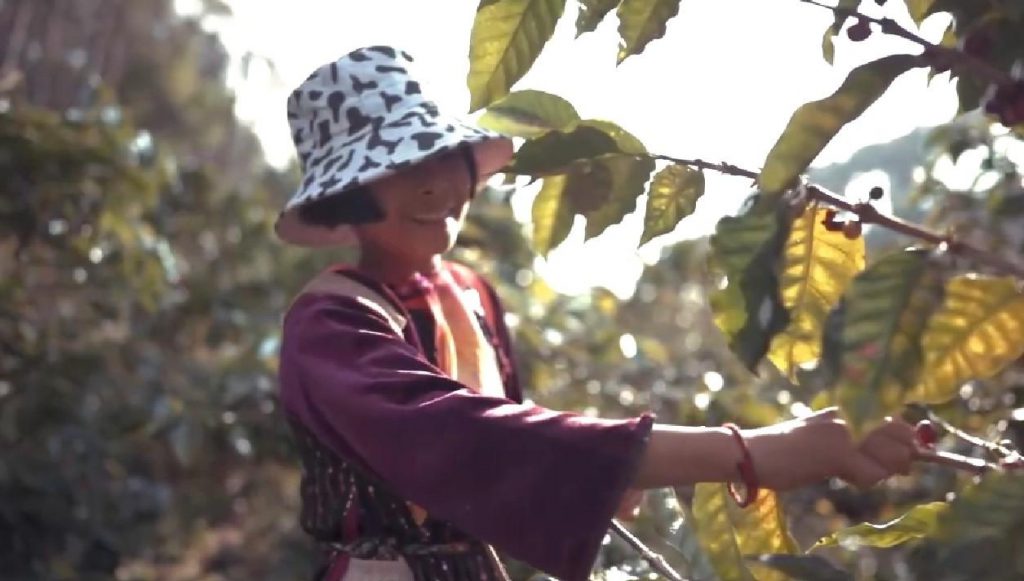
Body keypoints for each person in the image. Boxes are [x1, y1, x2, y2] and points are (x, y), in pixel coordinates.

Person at [273, 46, 918, 581]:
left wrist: (607, 473)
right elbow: (470, 440)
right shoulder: (331, 326)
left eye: (441, 156)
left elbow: (515, 440)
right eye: (396, 169)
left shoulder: (469, 295)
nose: (435, 183)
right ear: (347, 196)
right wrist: (746, 452)